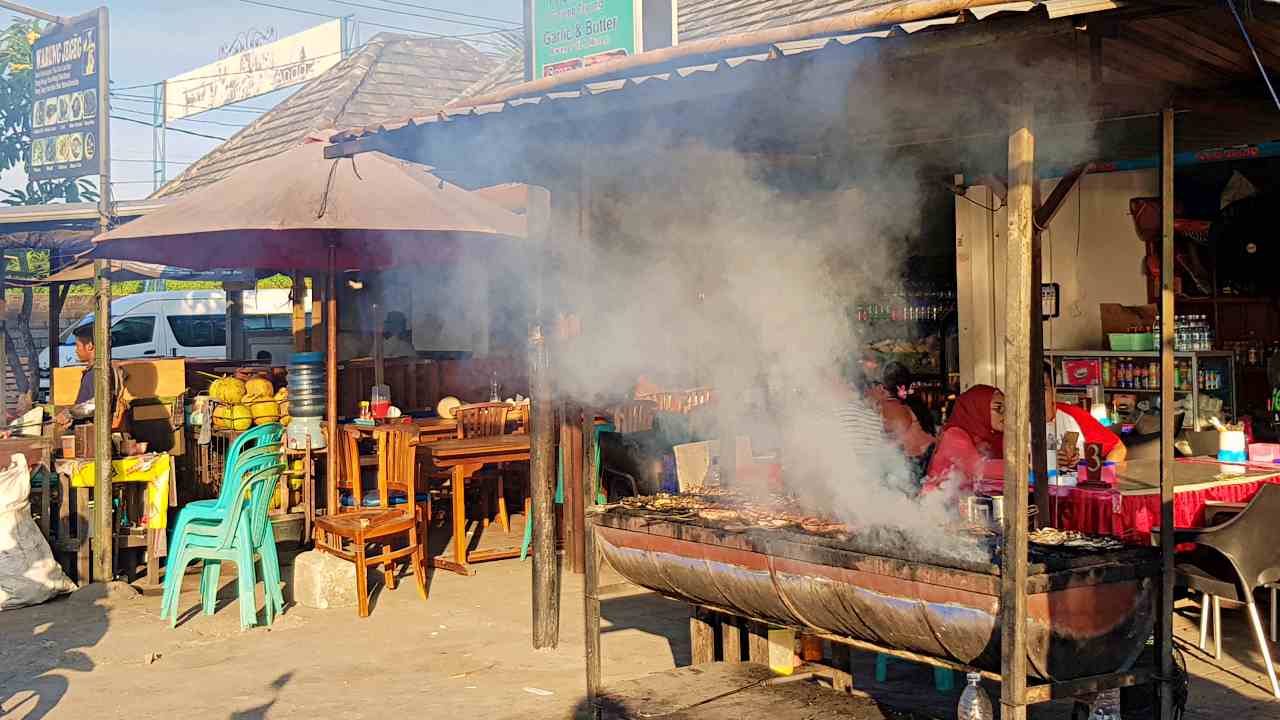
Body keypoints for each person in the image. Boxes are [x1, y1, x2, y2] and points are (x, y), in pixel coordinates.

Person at [1042, 362, 1126, 469]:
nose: (1034, 395)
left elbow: (1117, 447)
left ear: (1054, 391)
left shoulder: (1074, 415)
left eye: (1043, 389)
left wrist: (1106, 473)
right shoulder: (1015, 424)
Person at [923, 385, 1004, 493]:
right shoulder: (953, 436)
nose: (1005, 414)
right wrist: (1021, 468)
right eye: (998, 408)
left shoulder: (993, 436)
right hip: (938, 504)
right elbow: (979, 470)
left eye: (1008, 408)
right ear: (977, 409)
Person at [872, 361, 936, 477]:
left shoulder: (889, 407)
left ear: (882, 387)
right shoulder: (915, 404)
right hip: (925, 462)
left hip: (910, 468)